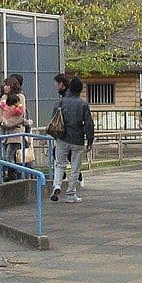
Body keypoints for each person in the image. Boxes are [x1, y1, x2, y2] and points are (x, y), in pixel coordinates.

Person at [47, 74, 94, 202]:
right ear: (80, 90)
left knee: (59, 164)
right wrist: (90, 141)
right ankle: (70, 194)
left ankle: (56, 186)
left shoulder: (60, 102)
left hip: (62, 138)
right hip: (77, 139)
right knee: (75, 167)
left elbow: (53, 119)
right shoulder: (83, 104)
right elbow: (89, 123)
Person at [0, 74, 29, 165]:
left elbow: (20, 115)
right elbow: (1, 111)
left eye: (7, 85)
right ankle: (7, 175)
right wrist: (2, 122)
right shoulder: (4, 97)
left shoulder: (20, 97)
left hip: (14, 131)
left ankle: (14, 174)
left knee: (10, 156)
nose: (5, 87)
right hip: (3, 131)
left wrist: (7, 123)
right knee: (3, 157)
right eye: (4, 85)